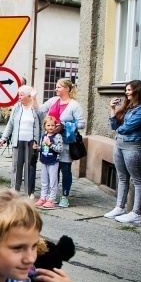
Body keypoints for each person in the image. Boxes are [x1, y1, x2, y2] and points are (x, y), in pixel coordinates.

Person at [104, 80, 141, 223]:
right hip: (119, 145)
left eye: (129, 90)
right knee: (122, 177)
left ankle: (136, 213)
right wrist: (112, 108)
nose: (127, 92)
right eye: (126, 90)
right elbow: (113, 125)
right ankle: (120, 207)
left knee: (137, 180)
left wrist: (120, 128)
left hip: (133, 147)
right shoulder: (128, 107)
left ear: (138, 91)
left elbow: (128, 127)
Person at [35, 79, 86, 207]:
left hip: (66, 143)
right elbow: (39, 110)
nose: (56, 89)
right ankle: (53, 196)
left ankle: (65, 196)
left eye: (59, 87)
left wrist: (64, 125)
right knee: (53, 169)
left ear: (67, 89)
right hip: (50, 141)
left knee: (65, 169)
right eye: (56, 87)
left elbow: (82, 123)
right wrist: (34, 98)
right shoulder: (53, 101)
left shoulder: (74, 105)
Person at [0, 85, 40, 197]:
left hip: (32, 142)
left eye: (21, 95)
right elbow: (10, 124)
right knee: (16, 166)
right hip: (18, 140)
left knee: (30, 166)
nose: (19, 97)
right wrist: (4, 138)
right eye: (19, 94)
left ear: (29, 96)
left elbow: (42, 122)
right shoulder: (17, 107)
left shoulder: (35, 108)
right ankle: (14, 191)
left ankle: (29, 191)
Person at [37, 116, 64, 208]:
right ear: (44, 126)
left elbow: (60, 149)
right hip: (44, 161)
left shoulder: (57, 136)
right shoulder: (44, 136)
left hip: (53, 161)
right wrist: (36, 148)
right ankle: (43, 197)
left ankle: (51, 199)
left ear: (55, 126)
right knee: (44, 181)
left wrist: (50, 144)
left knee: (53, 181)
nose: (50, 127)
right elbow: (42, 148)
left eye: (53, 125)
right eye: (48, 125)